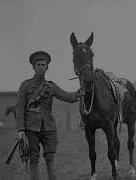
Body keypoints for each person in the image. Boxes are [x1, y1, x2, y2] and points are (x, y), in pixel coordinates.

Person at [15, 51, 84, 180]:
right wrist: (20, 130)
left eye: (43, 64)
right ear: (33, 67)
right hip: (31, 128)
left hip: (49, 127)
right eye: (38, 64)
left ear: (47, 67)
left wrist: (80, 92)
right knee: (34, 158)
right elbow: (19, 109)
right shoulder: (25, 85)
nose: (41, 67)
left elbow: (67, 96)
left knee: (50, 158)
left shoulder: (50, 86)